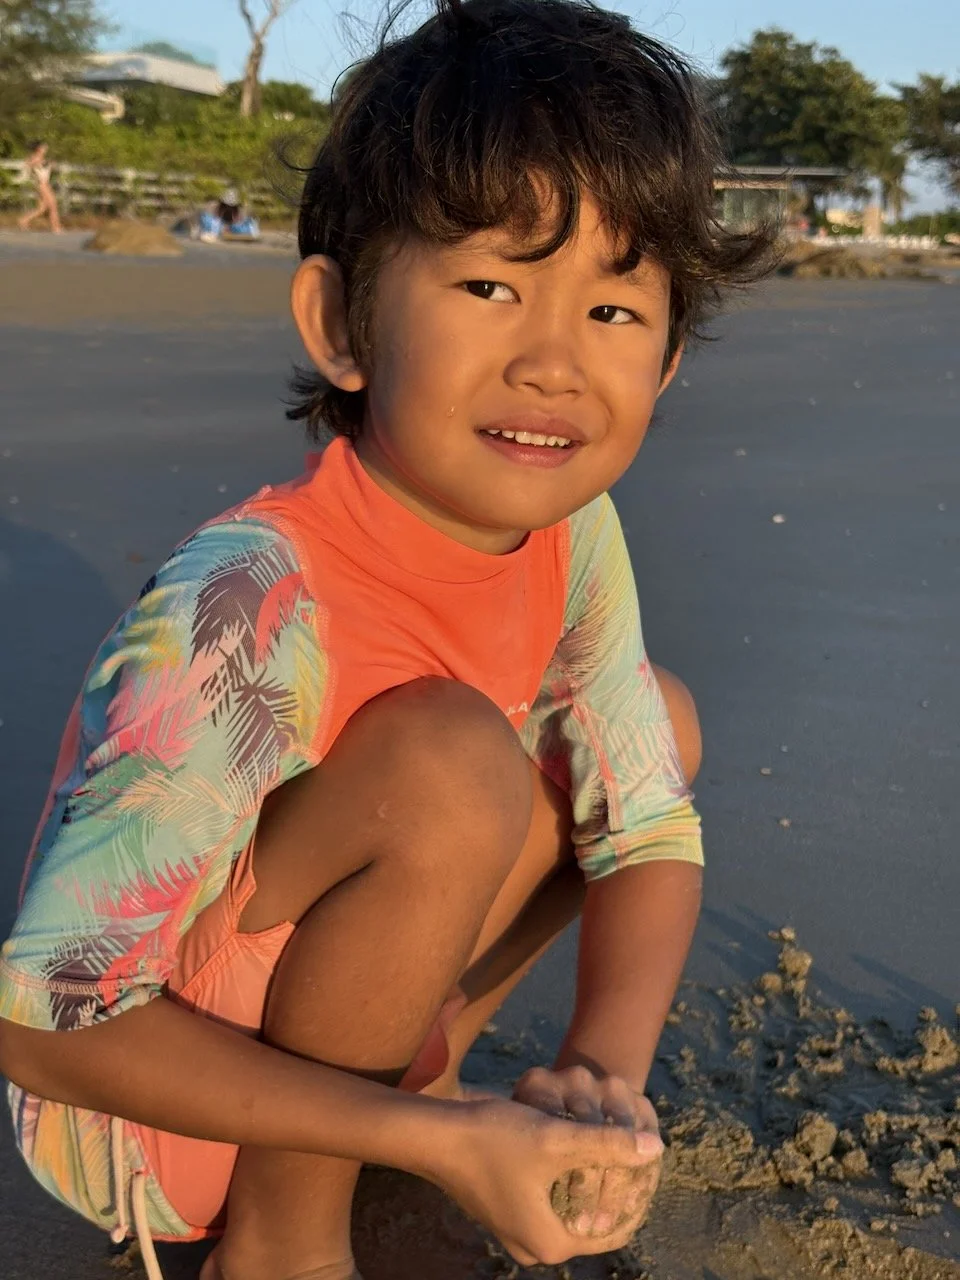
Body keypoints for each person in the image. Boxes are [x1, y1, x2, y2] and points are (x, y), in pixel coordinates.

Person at [0, 2, 773, 1278]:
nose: (553, 361)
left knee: (652, 718)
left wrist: (599, 1076)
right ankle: (285, 1241)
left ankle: (417, 1089)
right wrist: (446, 1146)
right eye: (490, 286)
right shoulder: (251, 599)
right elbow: (46, 1023)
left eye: (613, 310)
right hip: (150, 1114)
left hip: (324, 1038)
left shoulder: (574, 534)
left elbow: (645, 826)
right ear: (343, 324)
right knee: (450, 762)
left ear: (671, 357)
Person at [17, 140, 63, 235]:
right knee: (53, 205)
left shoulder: (42, 158)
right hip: (42, 184)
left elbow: (46, 167)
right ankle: (56, 227)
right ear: (39, 148)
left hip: (44, 184)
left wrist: (49, 164)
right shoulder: (36, 158)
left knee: (42, 209)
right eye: (44, 147)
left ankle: (23, 220)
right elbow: (28, 164)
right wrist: (36, 166)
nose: (46, 148)